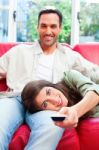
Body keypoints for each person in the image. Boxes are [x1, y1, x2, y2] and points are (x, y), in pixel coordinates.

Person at [0, 7, 99, 150]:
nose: (48, 31)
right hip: (16, 98)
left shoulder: (70, 56)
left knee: (53, 125)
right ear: (37, 27)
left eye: (53, 26)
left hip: (49, 106)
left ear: (59, 28)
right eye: (44, 26)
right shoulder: (19, 51)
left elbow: (94, 72)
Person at [21, 70, 99, 128]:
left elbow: (95, 90)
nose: (55, 101)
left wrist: (75, 111)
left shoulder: (70, 77)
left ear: (51, 86)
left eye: (48, 92)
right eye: (45, 104)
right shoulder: (61, 118)